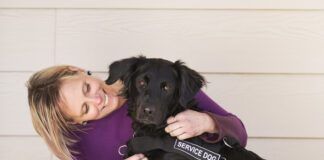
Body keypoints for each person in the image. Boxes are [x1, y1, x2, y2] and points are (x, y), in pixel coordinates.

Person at [27, 65, 247, 160]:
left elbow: (240, 135)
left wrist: (207, 122)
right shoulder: (79, 147)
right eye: (85, 109)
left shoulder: (151, 77)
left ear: (77, 71)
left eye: (87, 87)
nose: (97, 99)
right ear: (77, 122)